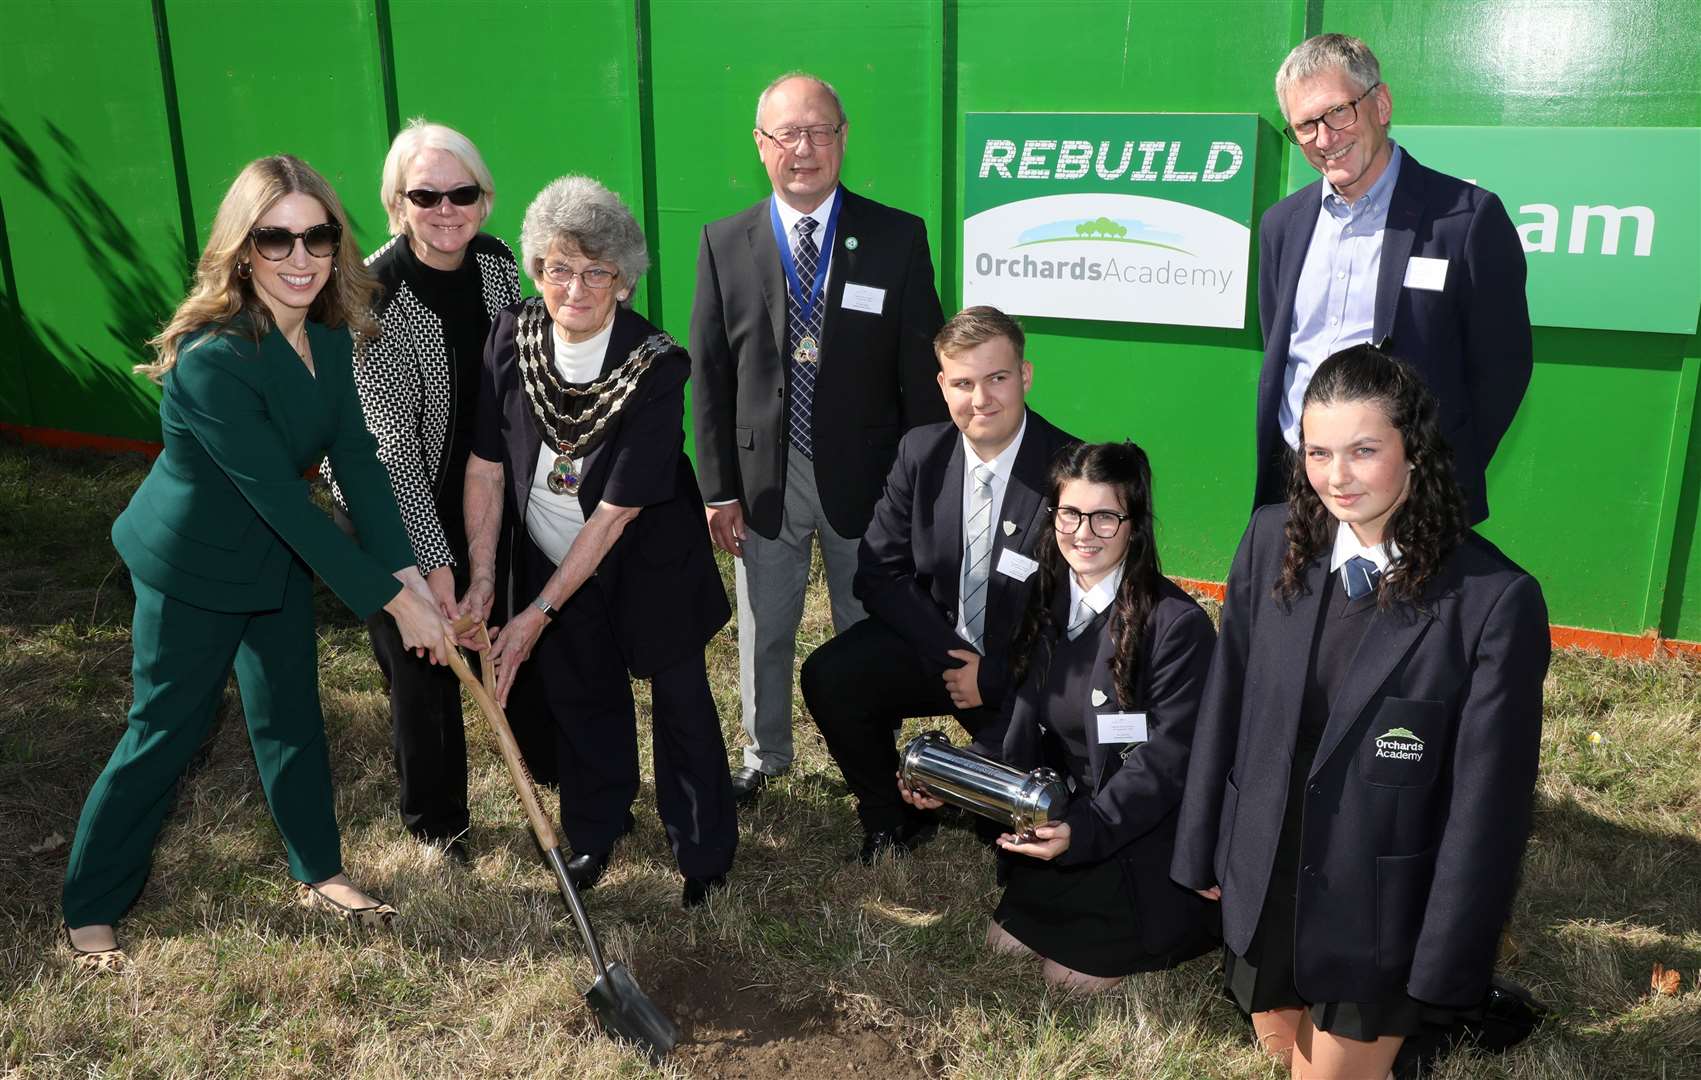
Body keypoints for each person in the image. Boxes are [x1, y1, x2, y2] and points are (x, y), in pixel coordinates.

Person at [61, 155, 456, 972]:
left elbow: (359, 455)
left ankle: (320, 872)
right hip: (193, 565)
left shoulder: (330, 335)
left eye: (318, 235)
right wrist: (390, 602)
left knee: (290, 717)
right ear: (244, 250)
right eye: (277, 239)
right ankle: (90, 908)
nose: (301, 257)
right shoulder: (213, 358)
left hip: (275, 559)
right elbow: (279, 497)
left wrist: (410, 570)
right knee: (164, 732)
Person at [1172, 345, 1550, 1078]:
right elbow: (1228, 705)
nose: (1335, 477)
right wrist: (1203, 850)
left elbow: (1486, 810)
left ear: (1414, 450)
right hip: (1268, 879)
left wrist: (1445, 956)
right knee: (1282, 1050)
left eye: (1362, 450)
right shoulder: (1269, 540)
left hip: (1378, 912)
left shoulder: (1491, 601)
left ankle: (1431, 1031)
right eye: (1317, 452)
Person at [461, 175, 736, 908]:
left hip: (647, 555)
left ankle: (702, 851)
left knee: (679, 700)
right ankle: (596, 827)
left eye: (595, 271)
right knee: (581, 692)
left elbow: (614, 513)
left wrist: (538, 612)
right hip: (554, 552)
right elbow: (486, 466)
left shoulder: (655, 364)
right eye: (558, 267)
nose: (574, 287)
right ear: (536, 269)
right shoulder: (510, 335)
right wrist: (486, 578)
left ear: (623, 279)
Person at [690, 71, 947, 804]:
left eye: (819, 131)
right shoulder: (722, 241)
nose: (803, 149)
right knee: (763, 630)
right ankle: (763, 754)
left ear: (842, 138)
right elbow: (709, 376)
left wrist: (917, 490)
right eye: (786, 134)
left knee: (866, 627)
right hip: (762, 478)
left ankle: (872, 757)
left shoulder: (897, 237)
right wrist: (717, 489)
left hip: (868, 481)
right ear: (760, 145)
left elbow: (921, 375)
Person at [903, 441, 1218, 991]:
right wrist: (956, 779)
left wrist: (1083, 830)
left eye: (1105, 516)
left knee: (1065, 979)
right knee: (1001, 947)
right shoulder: (1044, 599)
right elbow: (1020, 719)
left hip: (1140, 833)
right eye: (1071, 513)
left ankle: (1188, 918)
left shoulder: (1177, 626)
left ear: (1135, 523)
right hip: (1070, 818)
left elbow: (1166, 765)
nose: (1084, 532)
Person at [802, 306, 1077, 862]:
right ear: (942, 385)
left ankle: (964, 785)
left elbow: (1079, 617)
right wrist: (955, 658)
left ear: (1024, 376)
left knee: (1010, 833)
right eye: (963, 383)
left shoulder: (1072, 472)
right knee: (831, 675)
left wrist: (993, 676)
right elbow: (878, 573)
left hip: (1030, 676)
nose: (982, 399)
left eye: (997, 378)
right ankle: (890, 817)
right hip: (942, 650)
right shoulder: (921, 452)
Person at [323, 119, 527, 861]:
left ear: (484, 198)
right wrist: (433, 570)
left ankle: (551, 768)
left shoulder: (500, 265)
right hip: (389, 500)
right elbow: (390, 457)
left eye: (462, 193)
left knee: (499, 626)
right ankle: (437, 824)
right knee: (426, 662)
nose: (447, 209)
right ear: (396, 204)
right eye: (425, 195)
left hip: (478, 482)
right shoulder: (373, 298)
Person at [1253, 33, 1531, 525]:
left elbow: (1502, 370)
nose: (1324, 139)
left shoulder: (1467, 219)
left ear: (1380, 103)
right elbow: (1282, 351)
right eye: (1305, 126)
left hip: (1410, 498)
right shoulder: (1281, 225)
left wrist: (1430, 472)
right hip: (1299, 489)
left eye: (1338, 112)